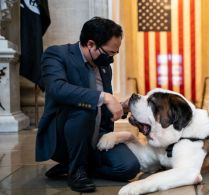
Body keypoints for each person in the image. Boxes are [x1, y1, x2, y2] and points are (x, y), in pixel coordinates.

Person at [35, 17, 140, 192]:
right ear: (91, 44)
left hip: (98, 136)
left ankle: (79, 165)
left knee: (129, 168)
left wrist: (122, 106)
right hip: (65, 135)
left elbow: (103, 107)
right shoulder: (57, 54)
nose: (111, 59)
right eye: (109, 53)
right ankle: (76, 171)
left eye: (115, 54)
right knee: (85, 107)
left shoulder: (104, 67)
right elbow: (57, 88)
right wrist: (106, 97)